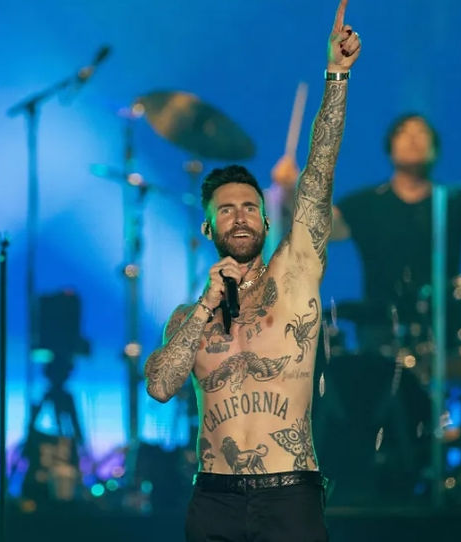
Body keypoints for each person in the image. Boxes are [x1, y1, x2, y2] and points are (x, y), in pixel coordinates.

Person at [142, 1, 361, 539]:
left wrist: (336, 76)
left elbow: (319, 176)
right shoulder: (187, 316)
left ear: (265, 220)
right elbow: (161, 386)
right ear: (208, 230)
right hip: (213, 498)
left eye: (249, 207)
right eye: (226, 210)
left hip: (289, 494)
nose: (239, 216)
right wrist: (207, 307)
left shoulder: (295, 276)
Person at [320, 113, 461, 504]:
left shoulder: (452, 201)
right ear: (389, 146)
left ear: (435, 149)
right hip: (380, 329)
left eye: (422, 134)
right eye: (403, 133)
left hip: (441, 326)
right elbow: (325, 227)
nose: (413, 139)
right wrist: (296, 193)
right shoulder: (366, 203)